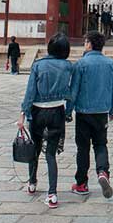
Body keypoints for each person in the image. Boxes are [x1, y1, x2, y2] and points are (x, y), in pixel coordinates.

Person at [17, 33, 73, 209]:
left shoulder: (38, 65)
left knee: (34, 150)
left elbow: (30, 91)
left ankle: (32, 183)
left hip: (38, 111)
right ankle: (53, 194)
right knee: (50, 155)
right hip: (57, 110)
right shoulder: (67, 66)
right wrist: (69, 111)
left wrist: (23, 113)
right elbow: (71, 91)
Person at [66, 31, 113, 199]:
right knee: (101, 144)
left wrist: (68, 110)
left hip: (83, 111)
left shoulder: (80, 64)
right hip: (101, 111)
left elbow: (74, 90)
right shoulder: (110, 64)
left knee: (83, 148)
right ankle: (103, 172)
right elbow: (112, 88)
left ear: (89, 44)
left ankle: (81, 183)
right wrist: (112, 109)